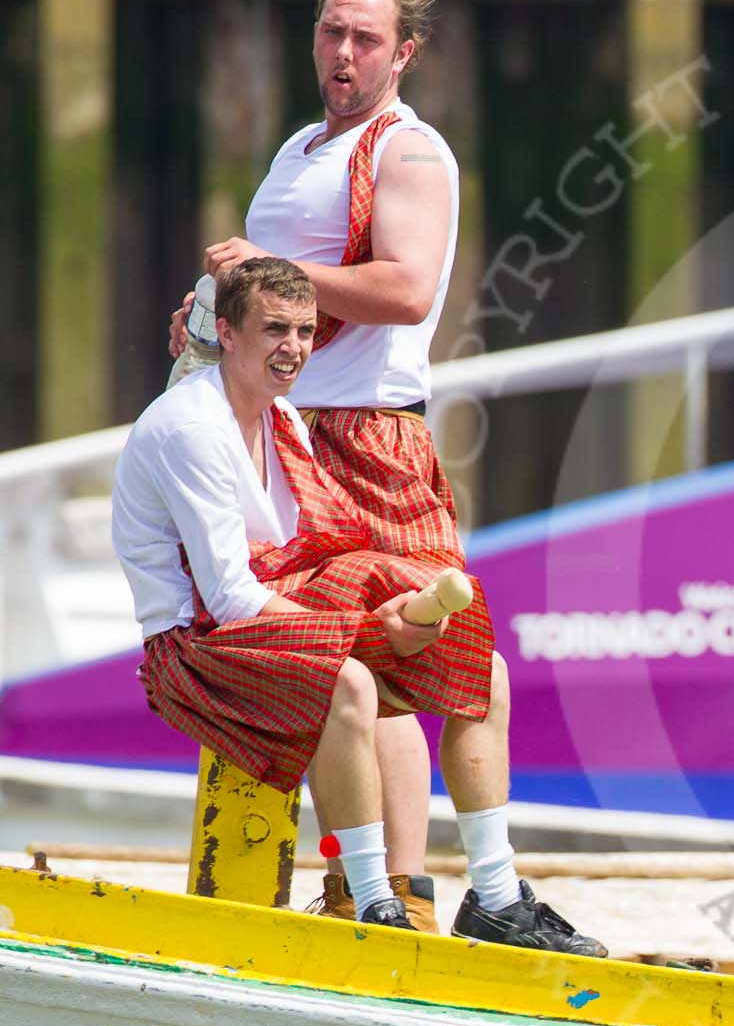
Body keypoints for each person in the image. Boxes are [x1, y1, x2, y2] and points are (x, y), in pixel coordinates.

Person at [120, 258, 603, 955]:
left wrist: (399, 610)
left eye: (306, 331)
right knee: (345, 680)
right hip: (190, 645)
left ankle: (496, 897)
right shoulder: (191, 428)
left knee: (479, 662)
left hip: (273, 610)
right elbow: (226, 600)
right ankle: (375, 903)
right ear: (226, 333)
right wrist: (357, 629)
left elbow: (306, 558)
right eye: (274, 329)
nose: (292, 347)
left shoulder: (281, 416)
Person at [167, 0, 462, 925]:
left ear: (401, 52)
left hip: (364, 438)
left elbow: (406, 288)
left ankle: (394, 901)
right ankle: (283, 888)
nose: (343, 52)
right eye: (331, 33)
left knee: (383, 675)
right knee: (285, 664)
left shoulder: (408, 151)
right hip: (279, 431)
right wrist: (214, 315)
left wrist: (271, 267)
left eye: (365, 38)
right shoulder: (299, 147)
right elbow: (271, 286)